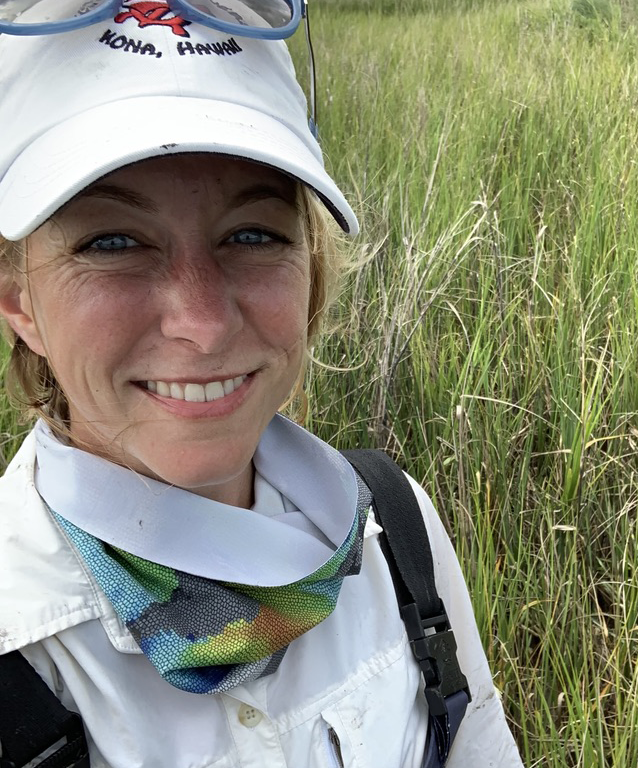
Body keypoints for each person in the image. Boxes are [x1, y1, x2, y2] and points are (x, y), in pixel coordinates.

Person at [0, 1, 524, 766]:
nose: (203, 322)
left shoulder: (398, 535)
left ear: (308, 269)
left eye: (252, 235)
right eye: (113, 242)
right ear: (20, 301)